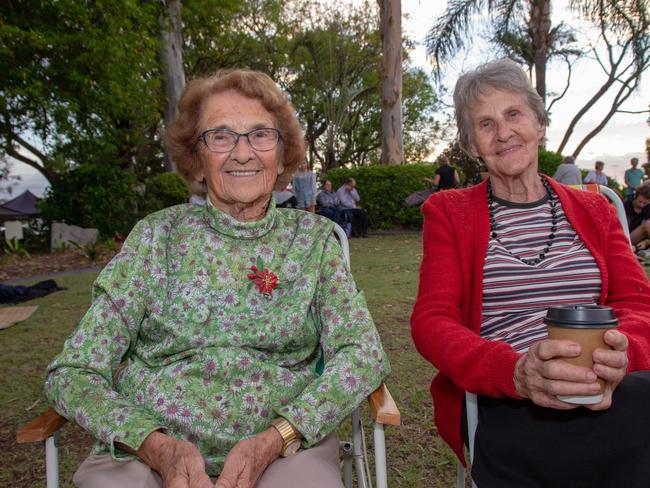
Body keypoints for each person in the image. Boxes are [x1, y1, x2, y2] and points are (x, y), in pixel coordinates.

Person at [45, 69, 390, 488]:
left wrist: (277, 436)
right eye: (221, 136)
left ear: (282, 156)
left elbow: (362, 354)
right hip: (147, 449)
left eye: (260, 134)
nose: (242, 153)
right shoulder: (157, 237)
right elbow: (73, 372)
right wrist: (157, 446)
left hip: (284, 447)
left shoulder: (312, 242)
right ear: (197, 159)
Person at [411, 58, 650, 487]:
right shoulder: (449, 212)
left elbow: (638, 304)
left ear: (539, 124)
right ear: (472, 146)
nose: (503, 133)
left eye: (513, 114)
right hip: (509, 399)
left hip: (611, 389)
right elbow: (433, 322)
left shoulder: (595, 210)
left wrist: (622, 355)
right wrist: (515, 372)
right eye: (485, 124)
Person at [625, 184, 650, 251]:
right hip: (627, 237)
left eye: (645, 203)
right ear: (636, 196)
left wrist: (646, 242)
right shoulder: (626, 206)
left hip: (641, 240)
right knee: (648, 224)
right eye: (640, 201)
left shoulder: (647, 208)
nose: (641, 205)